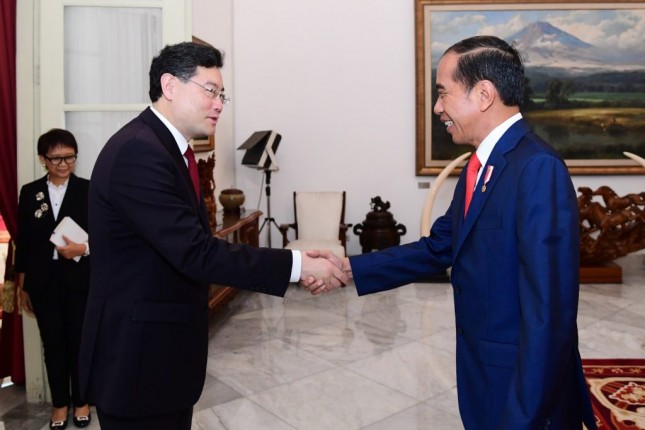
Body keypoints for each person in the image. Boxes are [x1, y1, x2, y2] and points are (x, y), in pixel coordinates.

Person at [306, 35, 597, 429]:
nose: (437, 107)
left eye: (443, 93)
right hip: (485, 378)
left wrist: (524, 416)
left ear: (483, 94)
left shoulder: (536, 168)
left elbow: (550, 312)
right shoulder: (479, 166)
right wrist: (349, 269)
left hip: (523, 394)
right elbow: (440, 247)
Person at [77, 41, 346, 430]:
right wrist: (299, 263)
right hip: (137, 363)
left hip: (159, 360)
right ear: (170, 86)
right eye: (210, 91)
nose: (219, 103)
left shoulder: (165, 148)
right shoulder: (140, 152)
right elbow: (196, 252)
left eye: (223, 94)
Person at [15, 129, 92, 429]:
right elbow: (25, 242)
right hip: (44, 282)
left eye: (69, 157)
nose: (64, 164)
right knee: (53, 344)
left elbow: (105, 235)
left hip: (80, 280)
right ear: (42, 159)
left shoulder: (88, 189)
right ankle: (60, 403)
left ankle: (82, 400)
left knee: (79, 343)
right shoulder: (29, 192)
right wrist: (23, 284)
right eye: (56, 158)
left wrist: (83, 249)